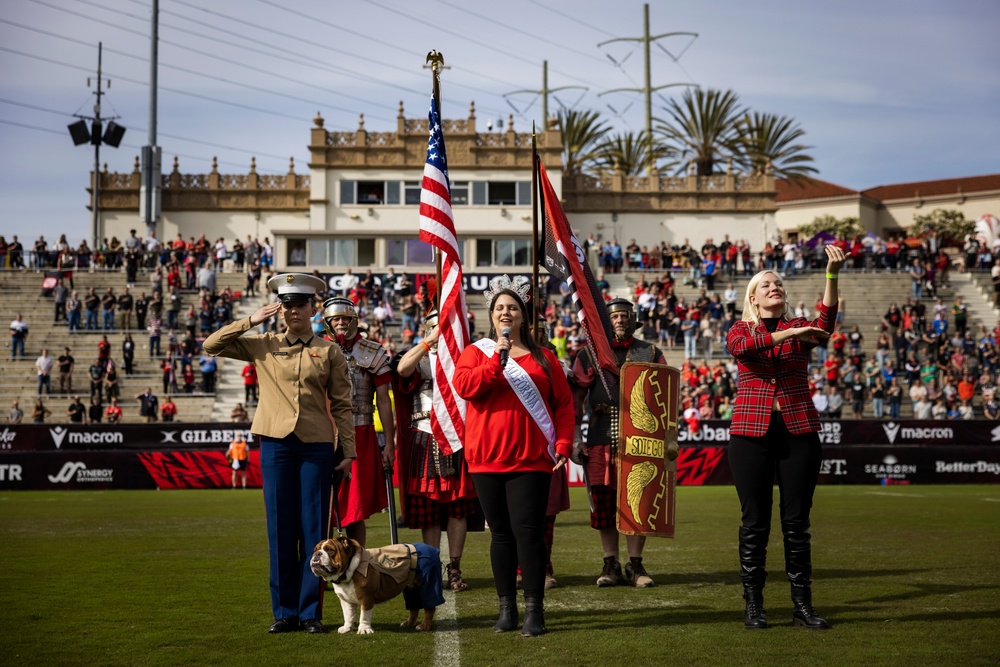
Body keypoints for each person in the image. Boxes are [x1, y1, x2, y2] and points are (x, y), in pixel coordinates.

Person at [203, 272, 355, 635]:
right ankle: (284, 612)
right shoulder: (262, 343)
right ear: (279, 310)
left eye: (299, 305)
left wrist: (347, 451)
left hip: (317, 447)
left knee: (315, 531)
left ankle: (310, 613)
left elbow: (343, 404)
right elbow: (211, 345)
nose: (292, 311)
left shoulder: (329, 350)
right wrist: (250, 320)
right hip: (275, 444)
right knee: (280, 531)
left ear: (312, 307)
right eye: (286, 305)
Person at [724, 244, 845, 631]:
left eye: (778, 283)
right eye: (767, 284)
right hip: (750, 434)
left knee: (797, 523)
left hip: (799, 430)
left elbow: (826, 321)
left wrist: (831, 274)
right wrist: (793, 331)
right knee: (754, 522)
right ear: (753, 298)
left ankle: (802, 606)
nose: (775, 287)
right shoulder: (742, 328)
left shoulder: (804, 328)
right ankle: (754, 605)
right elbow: (743, 348)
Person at [453, 276, 574, 637]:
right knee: (501, 536)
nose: (506, 312)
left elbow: (564, 406)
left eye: (513, 308)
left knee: (530, 535)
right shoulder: (477, 353)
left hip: (532, 460)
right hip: (485, 459)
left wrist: (564, 444)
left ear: (523, 316)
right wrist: (498, 361)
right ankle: (506, 607)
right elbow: (465, 387)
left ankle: (534, 610)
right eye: (500, 308)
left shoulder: (545, 357)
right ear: (491, 316)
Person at [570, 298, 667, 590]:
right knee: (605, 505)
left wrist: (667, 439)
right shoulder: (589, 354)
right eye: (615, 317)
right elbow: (574, 401)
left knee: (637, 502)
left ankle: (635, 565)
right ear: (605, 321)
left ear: (632, 319)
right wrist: (576, 438)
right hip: (601, 438)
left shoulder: (650, 352)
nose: (620, 320)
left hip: (640, 439)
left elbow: (665, 395)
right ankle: (610, 563)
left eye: (625, 316)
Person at [394, 309, 477, 592]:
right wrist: (429, 341)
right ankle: (430, 568)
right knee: (428, 507)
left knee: (457, 506)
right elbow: (402, 369)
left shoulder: (466, 357)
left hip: (456, 438)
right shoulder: (420, 355)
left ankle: (454, 567)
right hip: (424, 434)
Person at [322, 297, 394, 548]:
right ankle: (322, 568)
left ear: (354, 320)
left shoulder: (372, 352)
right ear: (327, 322)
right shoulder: (316, 349)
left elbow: (384, 401)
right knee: (324, 506)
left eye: (345, 318)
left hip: (361, 432)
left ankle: (356, 565)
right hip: (323, 433)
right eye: (335, 318)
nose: (341, 322)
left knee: (356, 506)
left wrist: (390, 444)